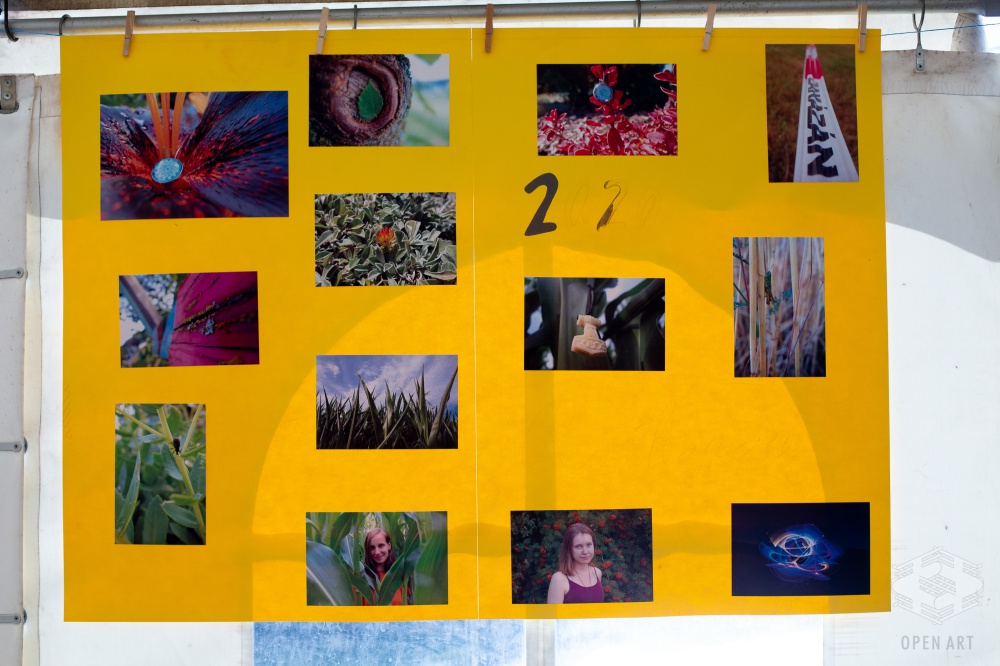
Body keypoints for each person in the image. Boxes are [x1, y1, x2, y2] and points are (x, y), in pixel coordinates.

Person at [547, 523, 605, 603]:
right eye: (578, 546)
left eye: (588, 545)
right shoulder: (559, 579)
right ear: (569, 549)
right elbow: (552, 611)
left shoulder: (597, 573)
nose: (585, 551)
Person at [360, 528, 410, 606]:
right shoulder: (361, 579)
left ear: (389, 545)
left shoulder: (398, 575)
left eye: (381, 546)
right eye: (372, 547)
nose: (377, 552)